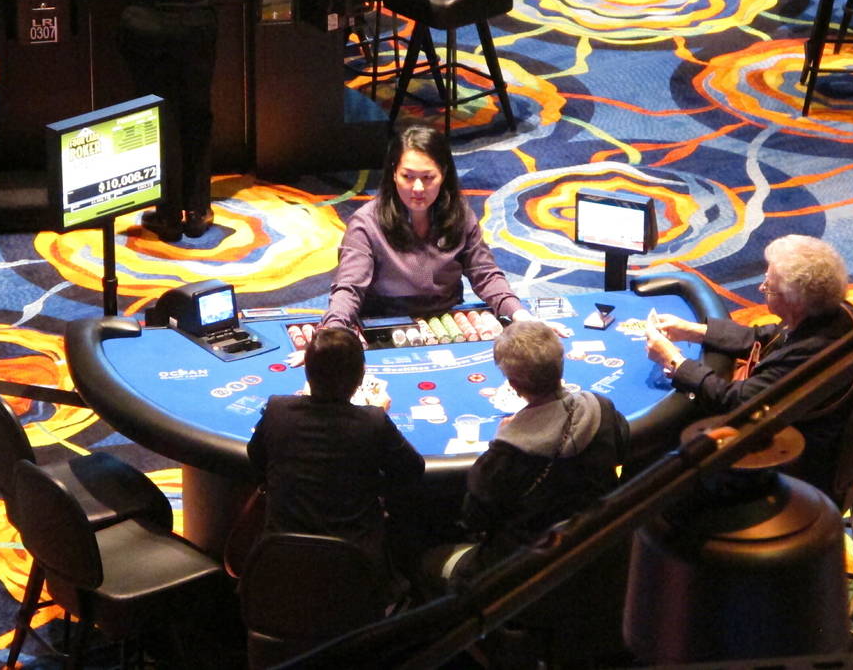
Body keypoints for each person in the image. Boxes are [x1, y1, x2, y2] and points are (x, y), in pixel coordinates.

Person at [27, 0, 314, 242]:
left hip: (145, 25)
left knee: (153, 119)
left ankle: (166, 213)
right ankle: (198, 210)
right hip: (197, 25)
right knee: (197, 115)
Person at [644, 234, 853, 491]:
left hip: (793, 460)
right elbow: (772, 336)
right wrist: (691, 330)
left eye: (769, 287)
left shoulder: (810, 354)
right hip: (823, 427)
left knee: (657, 450)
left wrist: (674, 360)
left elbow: (737, 402)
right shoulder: (836, 311)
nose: (761, 289)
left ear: (794, 303)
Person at [424, 320, 629, 587]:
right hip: (595, 549)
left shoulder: (506, 454)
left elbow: (474, 520)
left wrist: (501, 439)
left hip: (521, 567)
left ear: (513, 383)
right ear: (560, 364)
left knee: (428, 559)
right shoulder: (603, 409)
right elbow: (621, 456)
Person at [247, 327, 424, 604]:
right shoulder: (372, 421)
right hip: (356, 577)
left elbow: (255, 457)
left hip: (279, 567)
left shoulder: (277, 410)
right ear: (361, 376)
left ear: (307, 372)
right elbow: (412, 470)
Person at [321, 124, 536, 331]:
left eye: (427, 177)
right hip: (384, 320)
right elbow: (349, 287)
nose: (417, 188)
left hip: (449, 319)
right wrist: (333, 330)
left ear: (443, 174)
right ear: (394, 173)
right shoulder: (366, 223)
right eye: (408, 176)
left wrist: (519, 314)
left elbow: (485, 274)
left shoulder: (460, 215)